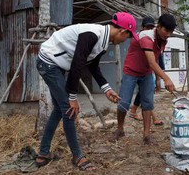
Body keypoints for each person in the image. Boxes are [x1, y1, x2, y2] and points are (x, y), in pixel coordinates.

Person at [35, 12, 138, 170]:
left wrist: (107, 88)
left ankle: (43, 154)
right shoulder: (91, 35)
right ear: (122, 32)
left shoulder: (103, 42)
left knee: (59, 110)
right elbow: (77, 64)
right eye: (127, 37)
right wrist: (72, 96)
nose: (125, 41)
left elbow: (93, 66)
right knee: (69, 110)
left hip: (57, 64)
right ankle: (77, 156)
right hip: (48, 62)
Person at [110, 14, 177, 145]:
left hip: (146, 73)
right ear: (158, 27)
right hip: (131, 71)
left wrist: (157, 79)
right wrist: (166, 79)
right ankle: (120, 129)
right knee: (123, 102)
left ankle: (146, 135)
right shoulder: (146, 37)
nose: (168, 34)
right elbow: (152, 62)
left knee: (148, 103)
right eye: (166, 30)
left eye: (171, 31)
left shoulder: (163, 39)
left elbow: (156, 58)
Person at [129, 16, 164, 125]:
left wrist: (158, 78)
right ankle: (153, 118)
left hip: (149, 71)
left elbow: (157, 59)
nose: (149, 30)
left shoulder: (156, 39)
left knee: (145, 93)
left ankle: (134, 110)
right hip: (139, 70)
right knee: (146, 94)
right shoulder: (139, 38)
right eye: (147, 27)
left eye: (151, 28)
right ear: (142, 28)